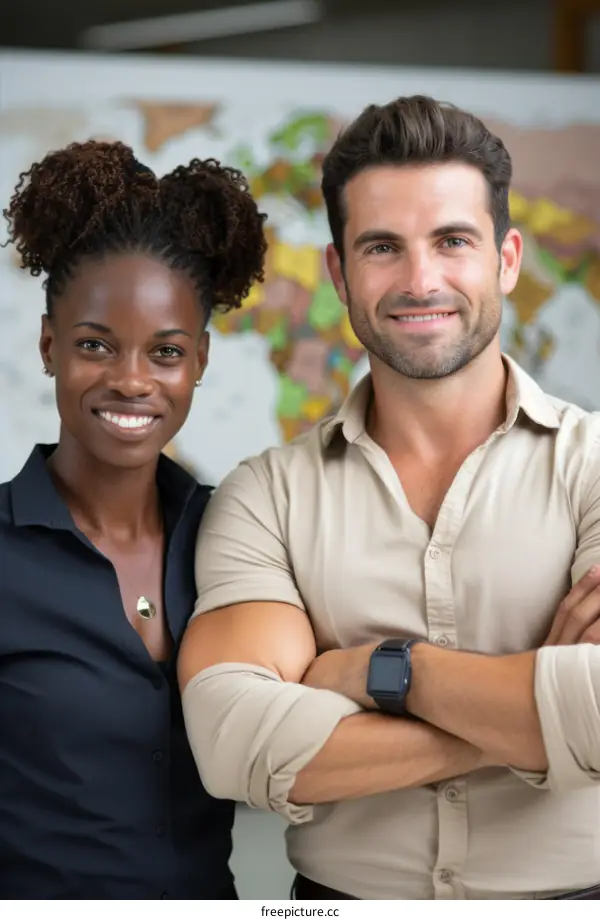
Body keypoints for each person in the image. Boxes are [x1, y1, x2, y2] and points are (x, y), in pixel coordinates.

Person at [177, 96, 600, 901]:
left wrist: (382, 673)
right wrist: (532, 718)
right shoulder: (265, 497)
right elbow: (237, 743)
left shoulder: (595, 466)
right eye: (382, 247)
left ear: (508, 259)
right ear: (338, 274)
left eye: (452, 240)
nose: (420, 280)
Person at [0, 139, 266, 898]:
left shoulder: (238, 538)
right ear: (49, 346)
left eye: (166, 353)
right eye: (95, 345)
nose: (131, 381)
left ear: (200, 361)